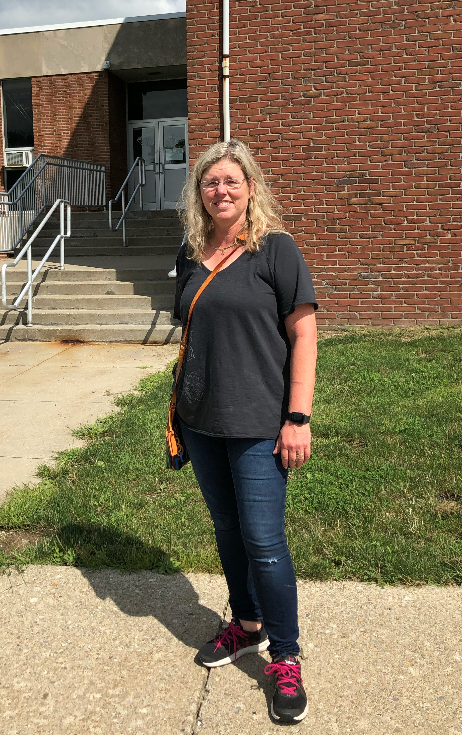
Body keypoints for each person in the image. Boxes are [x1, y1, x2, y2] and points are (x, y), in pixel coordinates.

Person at [173, 139, 318, 725]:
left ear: (250, 187)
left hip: (261, 422)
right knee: (228, 530)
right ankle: (248, 624)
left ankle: (285, 656)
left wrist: (298, 417)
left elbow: (304, 335)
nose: (221, 190)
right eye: (211, 183)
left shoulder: (274, 251)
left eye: (232, 180)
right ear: (200, 194)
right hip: (202, 420)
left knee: (264, 540)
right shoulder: (189, 254)